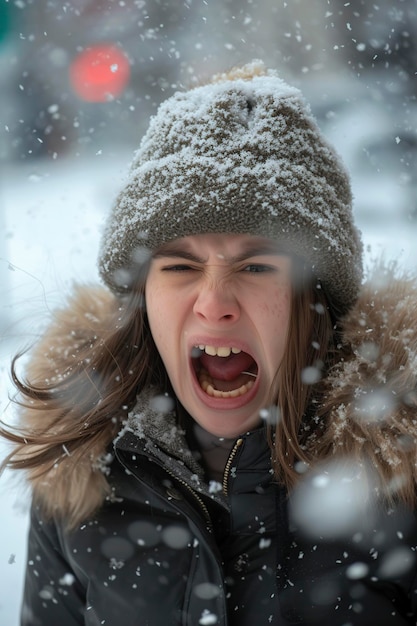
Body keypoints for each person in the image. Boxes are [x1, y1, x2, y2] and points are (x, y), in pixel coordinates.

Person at [1, 60, 417, 626]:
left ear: (313, 301)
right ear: (142, 296)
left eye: (256, 265)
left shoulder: (400, 485)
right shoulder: (82, 476)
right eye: (179, 266)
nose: (214, 301)